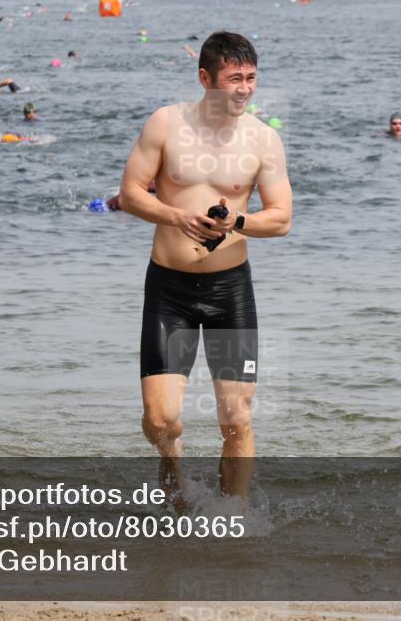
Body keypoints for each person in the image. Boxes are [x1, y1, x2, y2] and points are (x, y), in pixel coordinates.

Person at [117, 31, 292, 499]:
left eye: (251, 78)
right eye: (234, 78)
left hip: (230, 292)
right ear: (204, 78)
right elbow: (131, 193)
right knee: (160, 420)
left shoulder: (263, 140)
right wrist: (176, 216)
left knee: (236, 419)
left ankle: (233, 516)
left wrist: (236, 220)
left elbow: (281, 220)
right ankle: (171, 463)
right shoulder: (165, 124)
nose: (245, 88)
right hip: (169, 291)